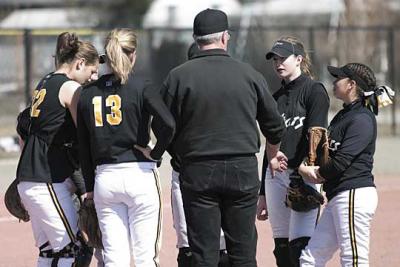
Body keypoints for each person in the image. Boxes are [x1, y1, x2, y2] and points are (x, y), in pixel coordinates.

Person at [159, 9, 286, 266]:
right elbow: (275, 126)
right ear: (225, 38)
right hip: (242, 166)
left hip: (198, 168)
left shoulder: (178, 77)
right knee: (242, 251)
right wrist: (272, 154)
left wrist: (181, 157)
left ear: (196, 39)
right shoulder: (249, 74)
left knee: (204, 253)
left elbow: (163, 127)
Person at [77, 28, 175, 267]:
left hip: (105, 179)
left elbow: (83, 146)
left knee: (114, 259)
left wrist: (89, 187)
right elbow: (170, 124)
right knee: (145, 258)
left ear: (106, 56)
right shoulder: (142, 86)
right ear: (133, 54)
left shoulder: (88, 92)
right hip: (139, 175)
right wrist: (156, 153)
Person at [16, 32, 99, 267]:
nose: (91, 78)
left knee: (50, 252)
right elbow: (84, 135)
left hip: (30, 178)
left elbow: (23, 126)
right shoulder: (70, 88)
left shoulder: (45, 81)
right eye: (90, 71)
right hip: (46, 180)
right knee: (72, 250)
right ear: (79, 63)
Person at [299, 63, 395, 266]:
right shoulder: (344, 115)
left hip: (353, 193)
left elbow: (341, 162)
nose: (334, 82)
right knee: (310, 258)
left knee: (354, 260)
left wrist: (314, 173)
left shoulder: (362, 119)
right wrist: (305, 164)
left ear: (351, 84)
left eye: (338, 78)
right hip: (339, 195)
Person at [257, 36, 330, 267]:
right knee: (281, 249)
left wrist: (303, 172)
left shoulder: (314, 91)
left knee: (301, 247)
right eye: (275, 59)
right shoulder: (274, 98)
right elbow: (270, 144)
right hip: (275, 176)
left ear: (299, 59)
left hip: (303, 175)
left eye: (283, 58)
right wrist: (262, 192)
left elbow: (316, 136)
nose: (278, 63)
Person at [167, 42, 230, 267]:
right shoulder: (184, 85)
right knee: (197, 243)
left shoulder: (180, 83)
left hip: (196, 170)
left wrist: (173, 153)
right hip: (205, 169)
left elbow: (164, 128)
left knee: (195, 242)